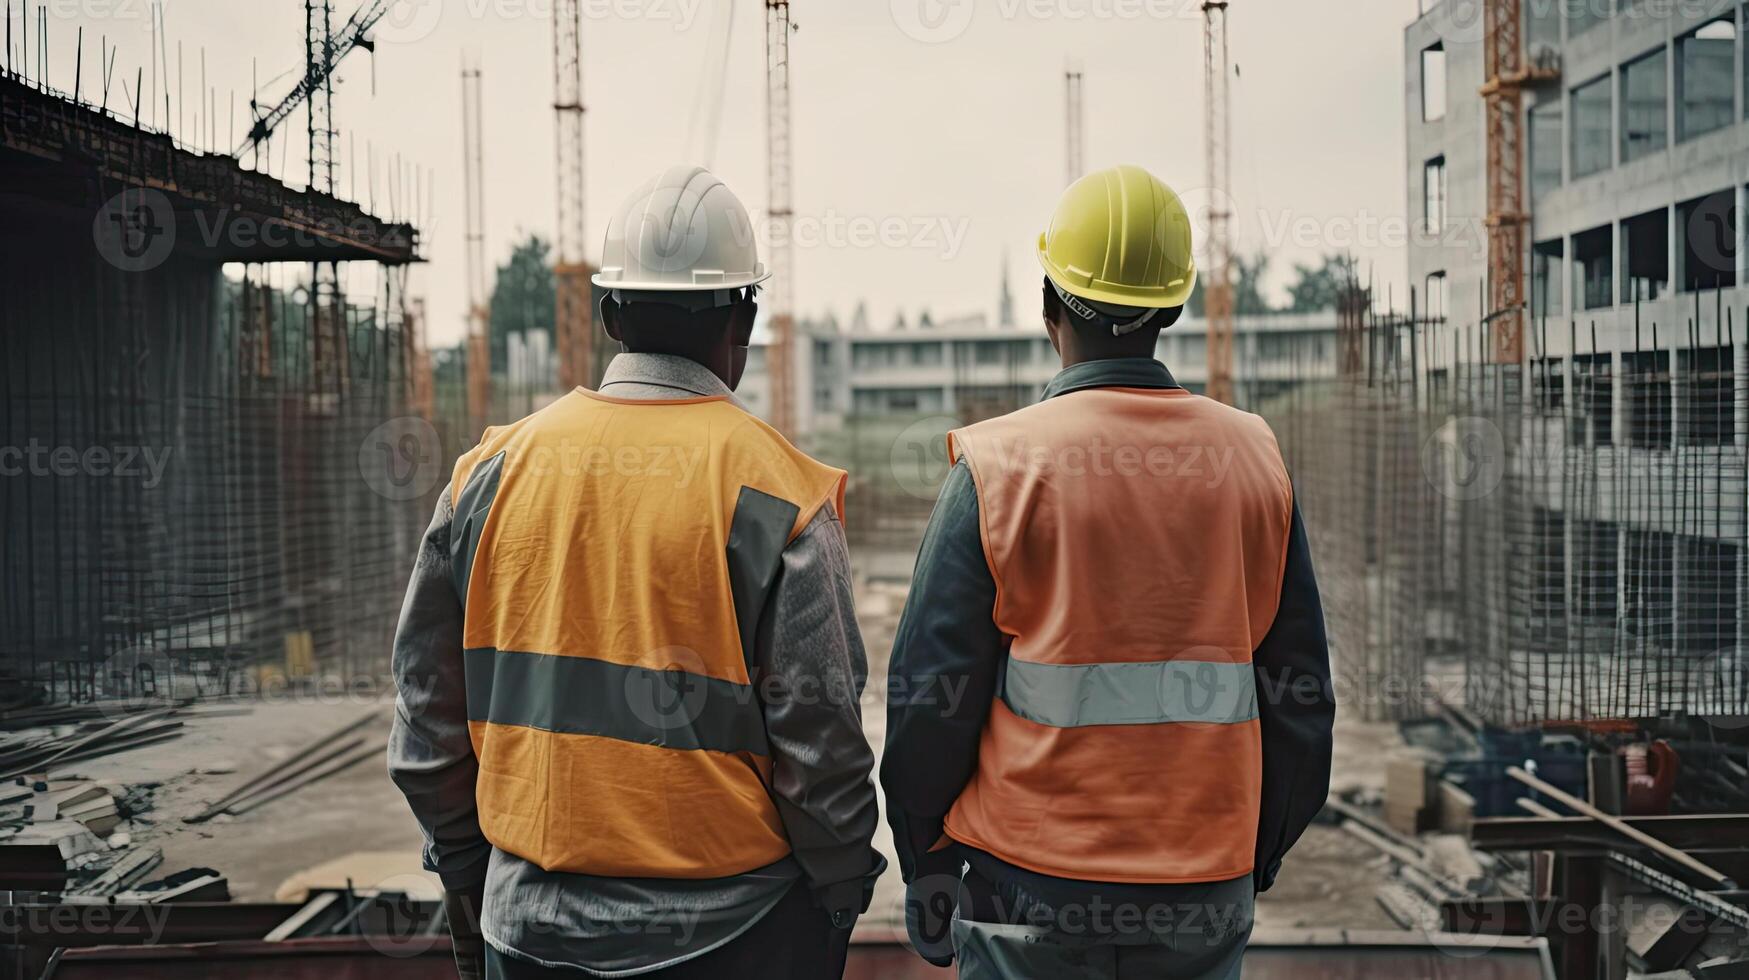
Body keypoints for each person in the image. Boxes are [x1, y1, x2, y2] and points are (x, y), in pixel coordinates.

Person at [389, 165, 884, 980]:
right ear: (744, 317)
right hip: (734, 934)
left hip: (528, 925)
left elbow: (425, 721)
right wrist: (838, 890)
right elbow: (821, 746)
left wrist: (468, 876)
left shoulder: (489, 474)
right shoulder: (777, 497)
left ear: (610, 313)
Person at [881, 164, 1335, 978]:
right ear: (1173, 307)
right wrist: (1247, 860)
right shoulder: (1253, 461)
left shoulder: (1000, 466)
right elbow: (1300, 696)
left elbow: (929, 696)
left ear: (1048, 304)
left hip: (1027, 882)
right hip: (1202, 885)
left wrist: (925, 857)